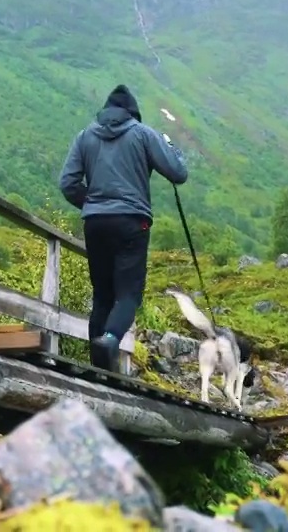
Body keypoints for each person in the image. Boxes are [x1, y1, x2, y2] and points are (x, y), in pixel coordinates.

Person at [58, 84, 188, 373]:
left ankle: (99, 370)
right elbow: (178, 173)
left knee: (102, 295)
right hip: (132, 221)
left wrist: (92, 204)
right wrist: (172, 149)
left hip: (95, 223)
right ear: (132, 112)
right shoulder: (142, 134)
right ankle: (111, 339)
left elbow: (67, 183)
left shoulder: (85, 136)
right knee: (128, 294)